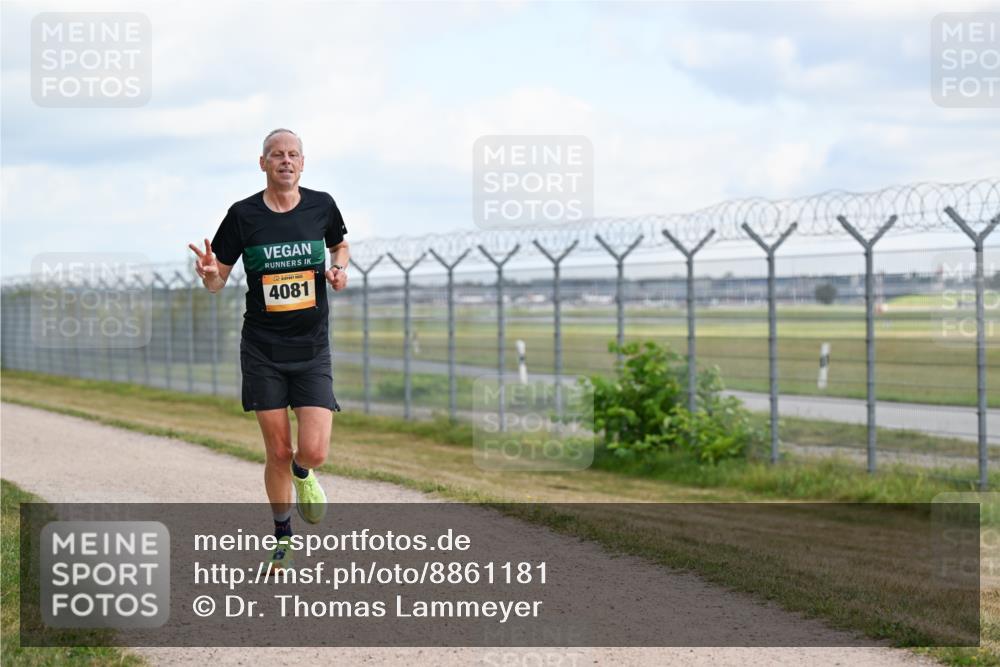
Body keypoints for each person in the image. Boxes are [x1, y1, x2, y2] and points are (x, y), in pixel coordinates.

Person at [188, 128, 349, 570]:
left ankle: (304, 474)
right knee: (277, 450)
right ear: (263, 163)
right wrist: (208, 275)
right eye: (276, 155)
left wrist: (337, 270)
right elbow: (219, 280)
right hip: (262, 349)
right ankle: (282, 536)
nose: (285, 160)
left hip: (312, 347)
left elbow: (340, 245)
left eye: (293, 154)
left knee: (312, 451)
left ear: (302, 162)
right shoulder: (243, 216)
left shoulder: (322, 206)